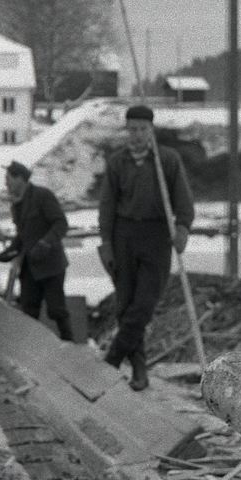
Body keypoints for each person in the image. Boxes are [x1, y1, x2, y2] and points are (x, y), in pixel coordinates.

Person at [98, 104, 194, 391]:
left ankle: (112, 359)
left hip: (156, 236)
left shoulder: (167, 160)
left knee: (143, 305)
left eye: (143, 129)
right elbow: (107, 207)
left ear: (151, 131)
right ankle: (139, 371)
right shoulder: (117, 163)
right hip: (124, 235)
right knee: (125, 304)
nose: (138, 135)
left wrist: (182, 228)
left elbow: (184, 203)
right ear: (127, 130)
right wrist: (106, 243)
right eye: (133, 129)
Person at [0, 161, 73, 340]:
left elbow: (61, 223)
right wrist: (8, 252)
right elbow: (22, 236)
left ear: (20, 179)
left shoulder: (43, 196)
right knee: (29, 312)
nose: (6, 184)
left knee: (56, 310)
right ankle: (31, 350)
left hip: (51, 266)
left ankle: (71, 347)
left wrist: (45, 244)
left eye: (8, 179)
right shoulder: (16, 205)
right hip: (30, 267)